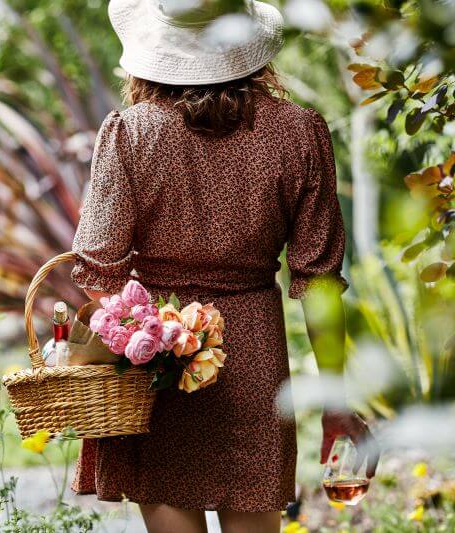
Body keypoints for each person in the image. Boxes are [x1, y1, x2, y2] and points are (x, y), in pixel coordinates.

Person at [70, 1, 380, 531]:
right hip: (255, 359)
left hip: (158, 364)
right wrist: (335, 403)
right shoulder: (298, 132)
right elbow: (319, 283)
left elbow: (100, 271)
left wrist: (154, 333)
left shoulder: (131, 133)